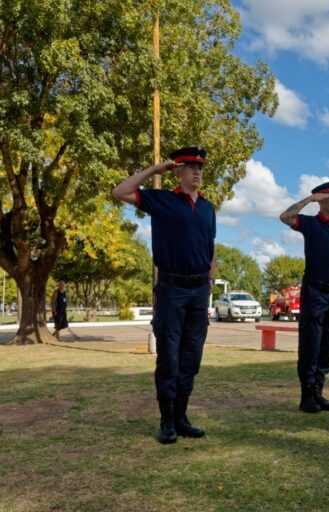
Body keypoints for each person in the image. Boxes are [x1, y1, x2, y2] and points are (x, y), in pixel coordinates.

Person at [112, 146, 215, 445]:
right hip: (172, 289)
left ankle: (182, 418)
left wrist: (209, 282)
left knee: (191, 357)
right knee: (169, 357)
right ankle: (167, 421)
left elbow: (211, 249)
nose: (197, 172)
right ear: (179, 171)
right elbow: (120, 192)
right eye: (190, 167)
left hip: (198, 291)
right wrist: (153, 171)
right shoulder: (163, 201)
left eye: (200, 167)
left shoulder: (208, 208)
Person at [279, 181, 329, 413]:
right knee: (311, 343)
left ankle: (318, 391)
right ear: (322, 199)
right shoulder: (309, 223)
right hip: (314, 291)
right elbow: (285, 217)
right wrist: (309, 200)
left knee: (328, 345)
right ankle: (307, 395)